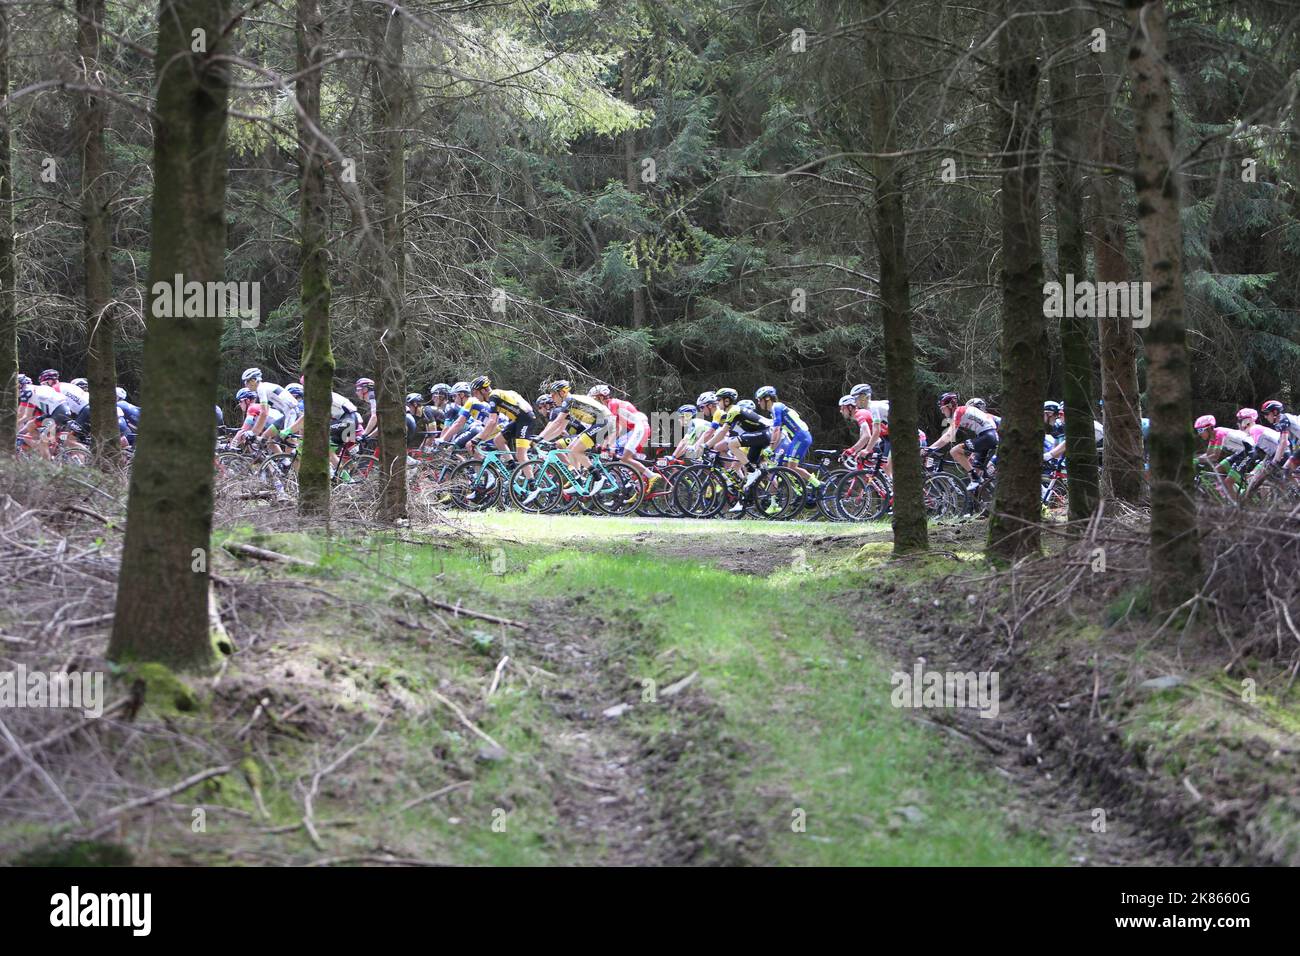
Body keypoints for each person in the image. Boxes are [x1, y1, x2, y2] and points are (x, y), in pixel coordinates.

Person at [928, 391, 999, 491]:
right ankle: (975, 503)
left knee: (954, 451)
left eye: (943, 408)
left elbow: (948, 436)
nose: (942, 412)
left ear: (950, 405)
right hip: (987, 436)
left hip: (988, 436)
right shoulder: (962, 412)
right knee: (977, 470)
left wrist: (930, 449)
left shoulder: (958, 411)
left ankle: (975, 478)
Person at [755, 385, 817, 490]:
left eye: (759, 399)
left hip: (801, 437)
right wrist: (772, 448)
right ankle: (801, 490)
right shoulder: (776, 410)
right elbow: (779, 434)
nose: (758, 402)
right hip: (798, 438)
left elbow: (776, 430)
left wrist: (770, 448)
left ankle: (817, 484)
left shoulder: (776, 407)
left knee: (791, 467)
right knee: (785, 464)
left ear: (767, 398)